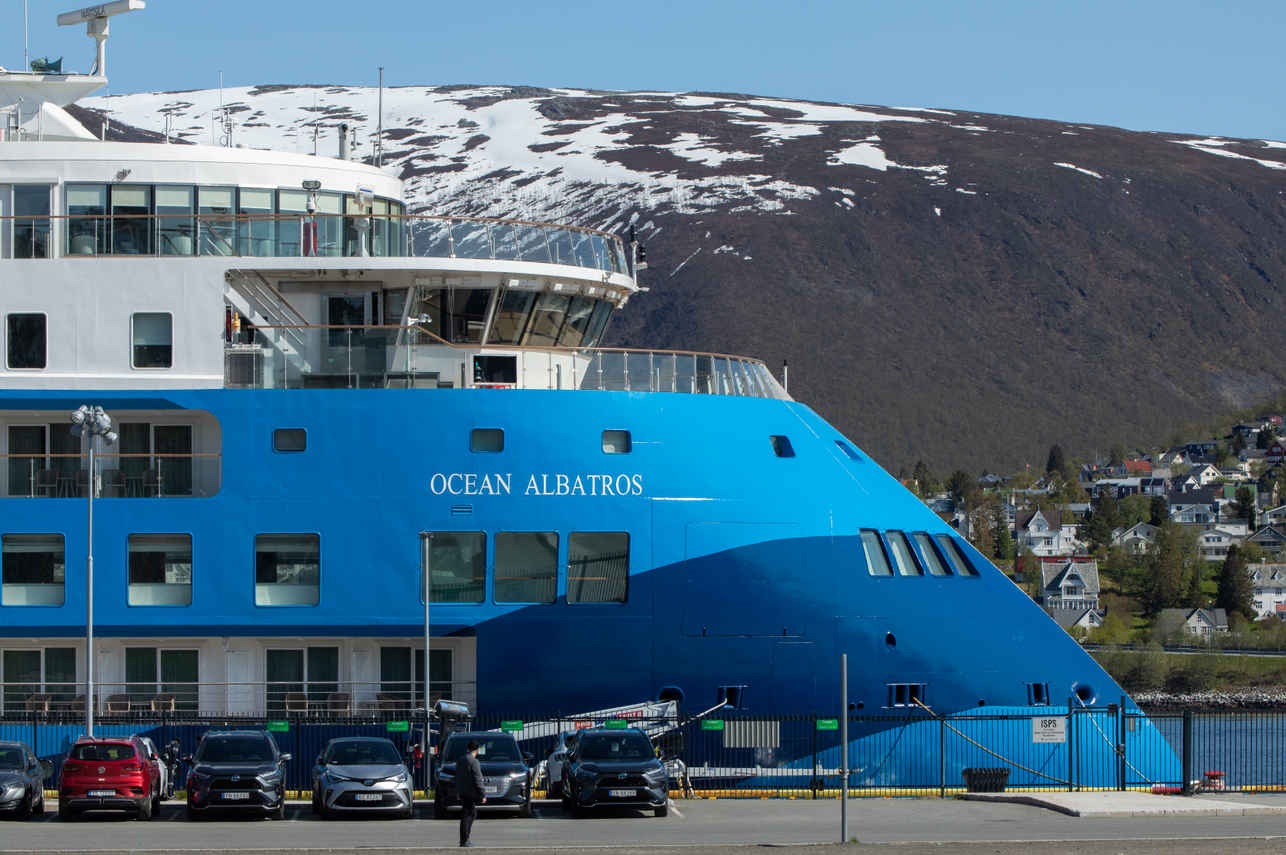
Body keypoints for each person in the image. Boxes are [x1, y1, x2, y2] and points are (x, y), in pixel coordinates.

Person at [457, 740, 486, 847]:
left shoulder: (461, 760)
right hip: (470, 793)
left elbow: (458, 777)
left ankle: (464, 839)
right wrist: (482, 794)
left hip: (463, 792)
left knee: (469, 813)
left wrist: (458, 791)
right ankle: (465, 840)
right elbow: (478, 779)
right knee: (469, 815)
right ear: (476, 750)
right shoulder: (474, 762)